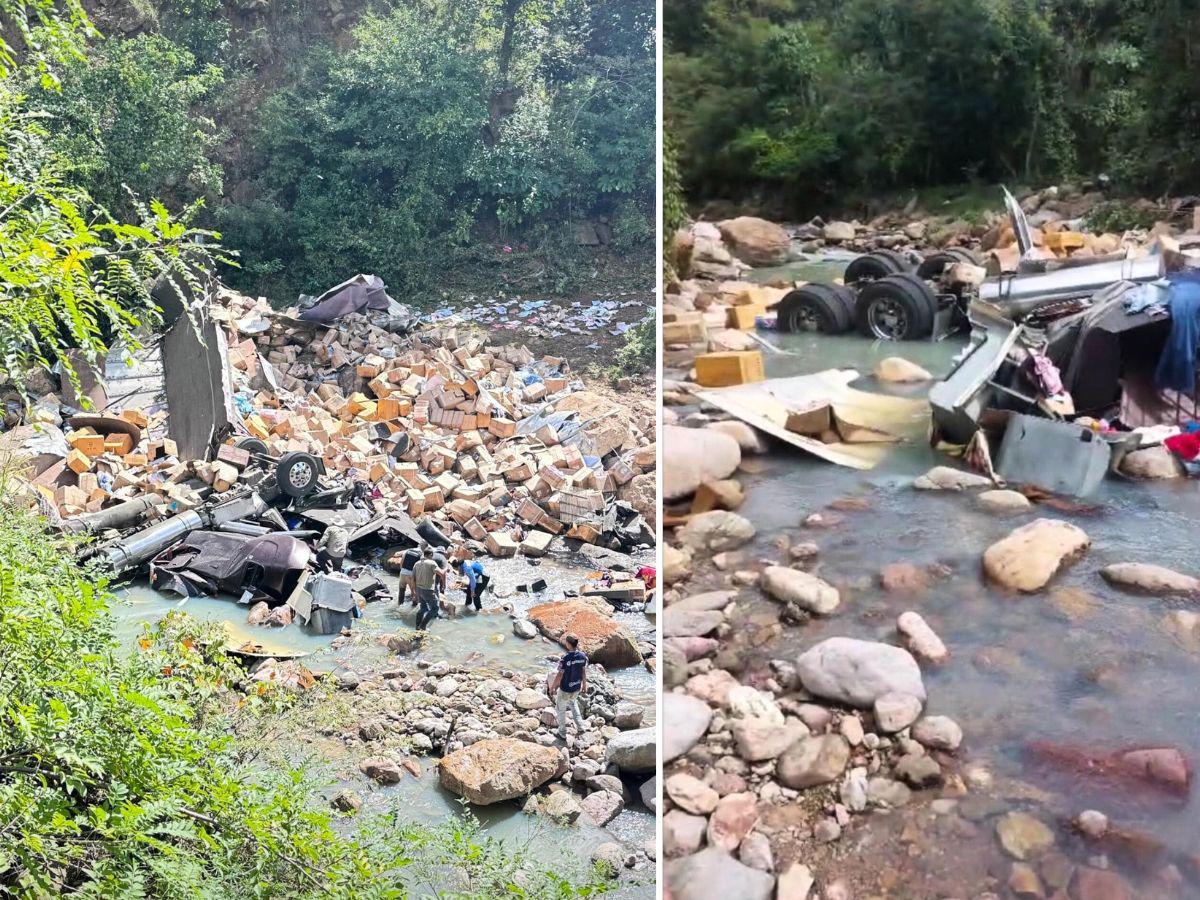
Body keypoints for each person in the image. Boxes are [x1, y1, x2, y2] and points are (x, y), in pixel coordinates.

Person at [548, 633, 587, 741]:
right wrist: (584, 685)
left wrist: (553, 687)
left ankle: (562, 733)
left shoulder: (565, 658)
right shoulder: (582, 656)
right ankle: (581, 726)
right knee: (573, 704)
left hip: (565, 689)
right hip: (576, 688)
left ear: (568, 644)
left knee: (561, 709)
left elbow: (560, 674)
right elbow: (583, 671)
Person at [412, 547, 441, 631]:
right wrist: (446, 569)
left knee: (423, 608)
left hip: (418, 589)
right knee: (435, 608)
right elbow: (441, 573)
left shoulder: (417, 563)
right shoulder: (432, 563)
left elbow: (412, 578)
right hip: (428, 590)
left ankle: (417, 626)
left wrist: (413, 592)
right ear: (431, 554)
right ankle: (423, 626)